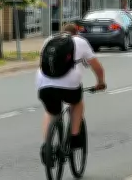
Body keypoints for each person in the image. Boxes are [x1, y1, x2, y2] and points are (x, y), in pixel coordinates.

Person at [36, 22, 106, 165]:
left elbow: (41, 63)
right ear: (76, 33)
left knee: (51, 112)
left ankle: (46, 146)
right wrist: (100, 82)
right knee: (77, 103)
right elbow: (97, 67)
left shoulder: (49, 40)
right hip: (70, 84)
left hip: (44, 83)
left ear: (62, 32)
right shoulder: (80, 42)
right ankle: (74, 136)